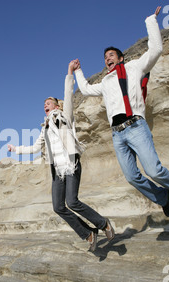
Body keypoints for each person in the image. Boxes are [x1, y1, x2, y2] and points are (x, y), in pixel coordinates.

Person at [73, 6, 169, 217]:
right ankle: (163, 197)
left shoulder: (134, 67)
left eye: (111, 55)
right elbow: (85, 89)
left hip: (135, 125)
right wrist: (78, 71)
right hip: (117, 134)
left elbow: (155, 50)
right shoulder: (105, 82)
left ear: (120, 58)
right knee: (131, 177)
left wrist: (151, 21)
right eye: (104, 57)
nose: (107, 58)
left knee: (153, 170)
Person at [8, 60, 114, 251]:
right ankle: (88, 233)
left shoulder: (65, 117)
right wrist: (16, 149)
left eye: (48, 103)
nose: (45, 106)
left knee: (72, 201)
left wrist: (69, 72)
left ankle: (103, 223)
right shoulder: (45, 128)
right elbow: (34, 148)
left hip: (71, 163)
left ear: (56, 106)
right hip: (57, 169)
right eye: (43, 105)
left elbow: (68, 94)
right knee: (58, 207)